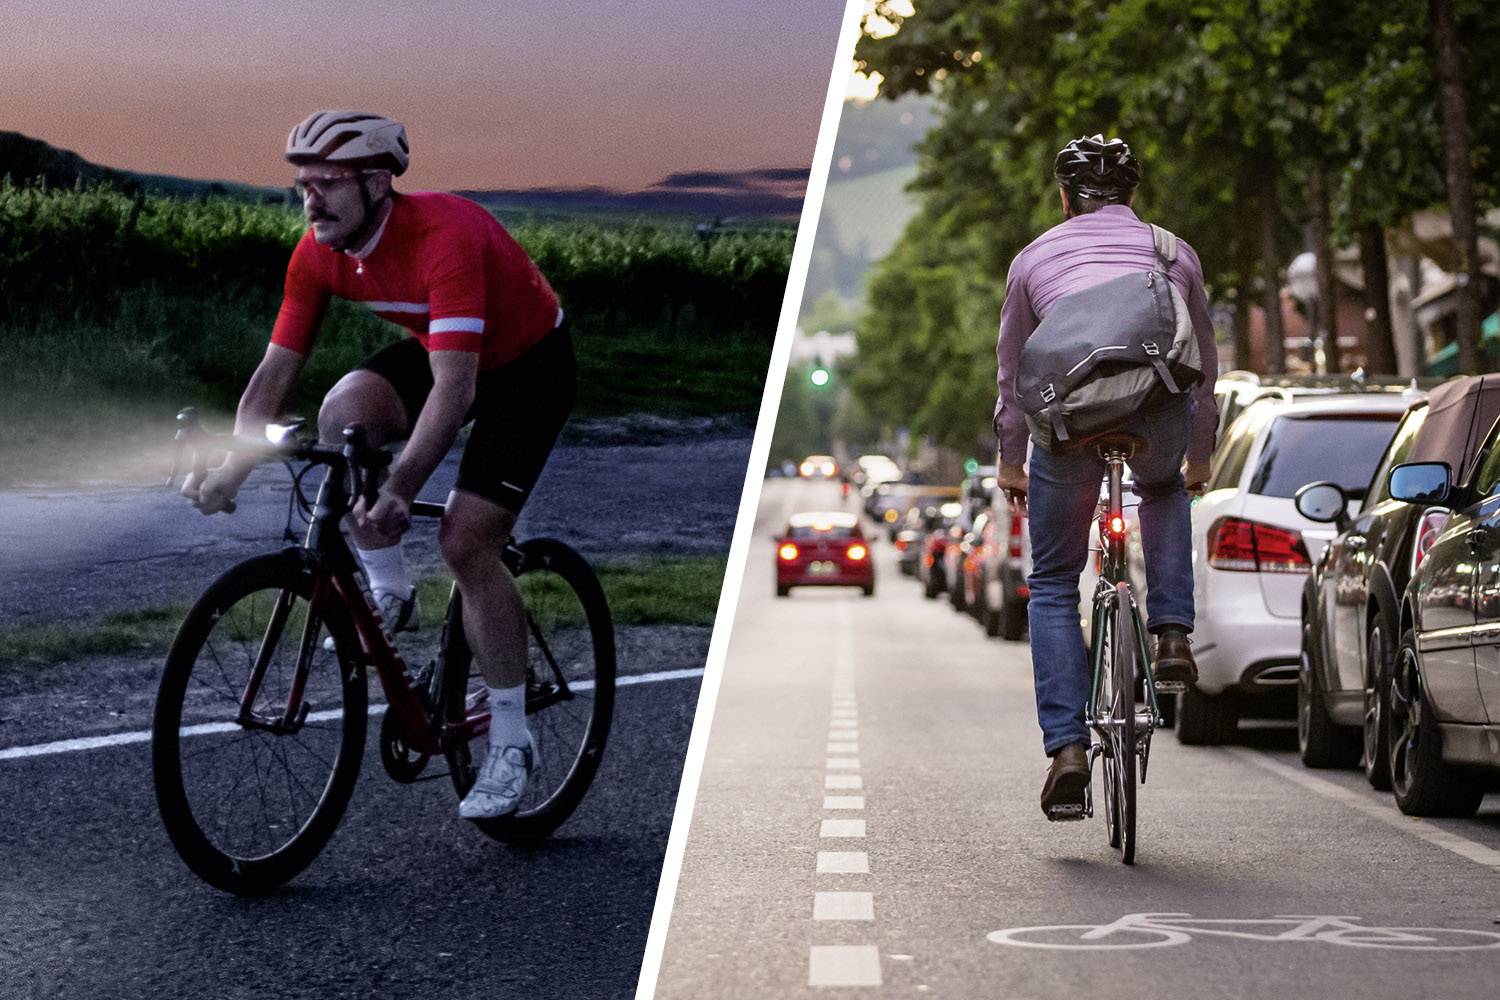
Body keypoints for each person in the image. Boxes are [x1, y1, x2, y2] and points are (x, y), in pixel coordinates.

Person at [182, 111, 576, 820]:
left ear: (376, 182)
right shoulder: (316, 253)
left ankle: (512, 743)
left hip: (527, 368)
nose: (311, 199)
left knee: (465, 540)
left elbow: (457, 393)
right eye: (303, 184)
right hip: (446, 351)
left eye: (328, 183)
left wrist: (399, 490)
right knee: (344, 414)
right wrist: (235, 470)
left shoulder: (445, 236)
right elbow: (274, 376)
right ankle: (388, 587)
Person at [992, 134, 1218, 820]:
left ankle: (1065, 752)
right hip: (1154, 418)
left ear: (1064, 198)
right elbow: (1203, 366)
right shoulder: (1174, 253)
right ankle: (1173, 634)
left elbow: (1013, 375)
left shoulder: (1032, 260)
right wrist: (1200, 452)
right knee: (1164, 487)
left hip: (1070, 429)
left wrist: (1011, 459)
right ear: (1131, 195)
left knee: (1055, 584)